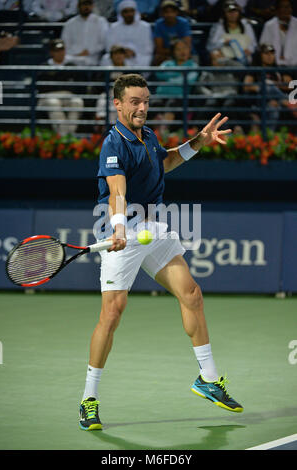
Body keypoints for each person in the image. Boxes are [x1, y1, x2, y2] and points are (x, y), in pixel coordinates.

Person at [78, 73, 243, 431]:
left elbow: (164, 161)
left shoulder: (147, 135)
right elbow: (116, 190)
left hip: (154, 229)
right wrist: (120, 228)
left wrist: (197, 142)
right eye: (135, 101)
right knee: (112, 312)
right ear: (118, 104)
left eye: (146, 101)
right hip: (123, 230)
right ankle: (88, 399)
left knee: (191, 293)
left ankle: (208, 379)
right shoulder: (114, 143)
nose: (142, 107)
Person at [242, 43, 297, 132]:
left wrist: (274, 84)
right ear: (260, 55)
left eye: (271, 53)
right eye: (266, 53)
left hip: (276, 102)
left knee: (273, 107)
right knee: (266, 86)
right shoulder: (255, 70)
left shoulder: (278, 69)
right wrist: (262, 87)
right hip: (260, 101)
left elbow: (290, 85)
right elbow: (246, 86)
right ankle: (287, 102)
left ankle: (269, 138)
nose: (270, 56)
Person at [37, 39, 85, 135]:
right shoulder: (44, 67)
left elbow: (79, 86)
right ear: (51, 52)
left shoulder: (71, 66)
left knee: (77, 102)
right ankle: (63, 136)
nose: (60, 53)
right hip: (49, 96)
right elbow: (42, 88)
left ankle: (70, 134)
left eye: (62, 50)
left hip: (68, 95)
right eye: (57, 50)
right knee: (53, 103)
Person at [206, 1, 257, 65]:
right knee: (214, 54)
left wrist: (249, 50)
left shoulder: (246, 25)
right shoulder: (218, 26)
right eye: (229, 12)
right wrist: (223, 42)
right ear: (225, 13)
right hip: (224, 56)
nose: (232, 14)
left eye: (235, 11)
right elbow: (210, 46)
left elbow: (253, 44)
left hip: (243, 57)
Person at [106, 0, 154, 67]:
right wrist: (123, 52)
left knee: (145, 59)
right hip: (118, 54)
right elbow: (109, 46)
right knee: (105, 59)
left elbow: (148, 48)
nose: (129, 14)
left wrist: (134, 52)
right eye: (126, 11)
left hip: (138, 56)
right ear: (121, 13)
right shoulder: (114, 27)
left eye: (131, 11)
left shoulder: (145, 27)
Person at [61, 0, 109, 65]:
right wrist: (78, 53)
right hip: (72, 57)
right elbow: (65, 43)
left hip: (94, 58)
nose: (86, 7)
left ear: (92, 6)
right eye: (84, 4)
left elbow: (103, 43)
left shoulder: (101, 21)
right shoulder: (70, 23)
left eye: (89, 4)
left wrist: (89, 51)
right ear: (78, 6)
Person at [153, 0, 192, 65]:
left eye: (172, 11)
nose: (169, 14)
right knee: (158, 58)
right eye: (166, 12)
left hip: (182, 52)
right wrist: (173, 53)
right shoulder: (158, 24)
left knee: (188, 56)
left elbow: (187, 45)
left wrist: (178, 52)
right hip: (166, 54)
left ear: (177, 12)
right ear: (162, 13)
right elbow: (159, 48)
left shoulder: (183, 23)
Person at [259, 0, 297, 66]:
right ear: (277, 10)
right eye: (283, 7)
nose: (286, 10)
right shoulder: (269, 25)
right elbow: (263, 46)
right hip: (274, 66)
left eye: (288, 7)